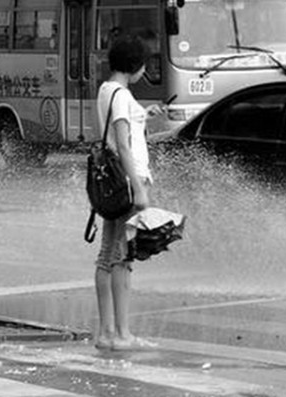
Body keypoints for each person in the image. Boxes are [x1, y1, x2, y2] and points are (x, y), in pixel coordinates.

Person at [93, 36, 165, 351]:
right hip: (127, 181)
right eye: (143, 66)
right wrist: (138, 186)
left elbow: (117, 133)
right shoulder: (122, 94)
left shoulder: (106, 90)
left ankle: (106, 334)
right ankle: (122, 335)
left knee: (107, 255)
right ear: (135, 66)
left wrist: (143, 116)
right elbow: (121, 144)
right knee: (123, 258)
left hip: (111, 182)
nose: (144, 72)